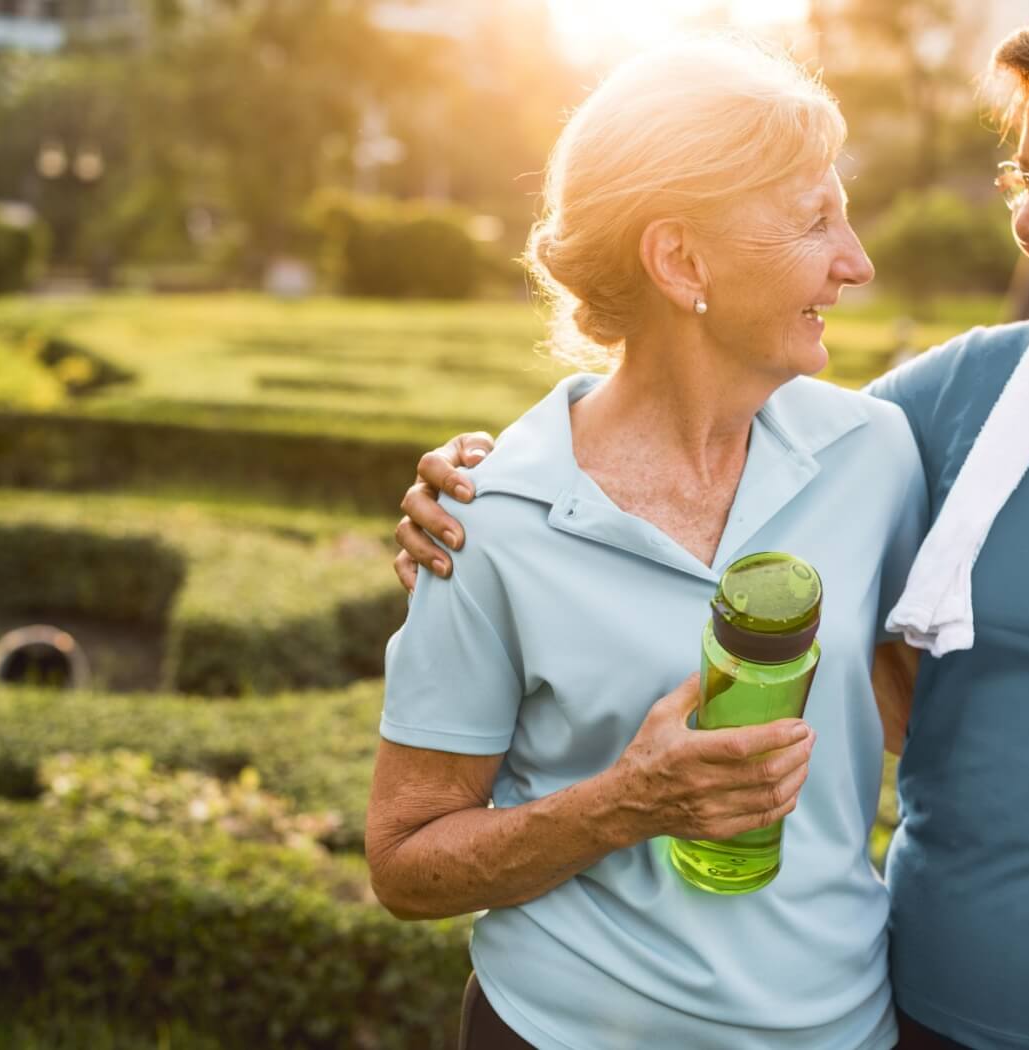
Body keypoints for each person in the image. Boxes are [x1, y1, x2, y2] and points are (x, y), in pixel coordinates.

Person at [391, 2, 1029, 1048]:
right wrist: (489, 476)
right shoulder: (951, 401)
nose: (1027, 214)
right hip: (921, 1018)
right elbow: (707, 404)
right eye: (1026, 177)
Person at [366, 37, 929, 1050]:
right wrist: (626, 805)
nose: (857, 262)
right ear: (680, 260)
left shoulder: (877, 453)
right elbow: (405, 863)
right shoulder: (486, 518)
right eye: (815, 221)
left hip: (839, 1030)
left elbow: (917, 709)